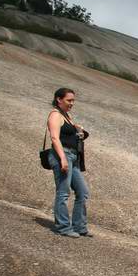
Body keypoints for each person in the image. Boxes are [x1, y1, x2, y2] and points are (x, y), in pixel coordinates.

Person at [46, 87, 91, 238]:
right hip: (61, 156)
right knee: (63, 193)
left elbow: (71, 136)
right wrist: (63, 159)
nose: (72, 103)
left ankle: (79, 227)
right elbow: (54, 138)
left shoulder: (67, 116)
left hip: (72, 157)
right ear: (59, 99)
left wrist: (78, 130)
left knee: (83, 192)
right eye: (69, 100)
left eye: (73, 101)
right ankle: (63, 227)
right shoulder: (55, 115)